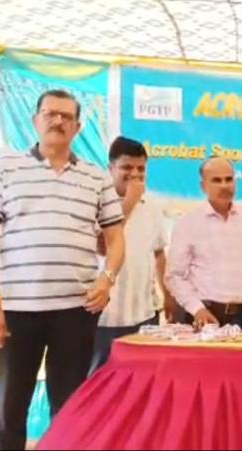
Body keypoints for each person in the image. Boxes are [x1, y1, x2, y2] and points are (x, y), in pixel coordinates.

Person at [0, 89, 125, 450]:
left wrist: (107, 280)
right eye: (50, 113)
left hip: (75, 312)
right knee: (9, 411)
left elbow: (116, 239)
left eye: (66, 116)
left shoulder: (96, 178)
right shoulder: (4, 169)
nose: (58, 121)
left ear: (77, 127)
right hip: (15, 311)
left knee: (69, 410)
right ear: (36, 120)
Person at [89, 137, 173, 374]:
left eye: (141, 169)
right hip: (103, 318)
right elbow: (103, 247)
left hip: (144, 315)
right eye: (127, 167)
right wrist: (129, 202)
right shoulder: (95, 201)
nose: (135, 174)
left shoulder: (152, 205)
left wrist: (167, 295)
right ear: (111, 168)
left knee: (140, 382)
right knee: (98, 381)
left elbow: (159, 253)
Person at [166, 157, 242, 330]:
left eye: (229, 179)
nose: (224, 186)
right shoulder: (188, 222)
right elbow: (174, 275)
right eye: (216, 180)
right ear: (203, 186)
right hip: (205, 316)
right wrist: (197, 309)